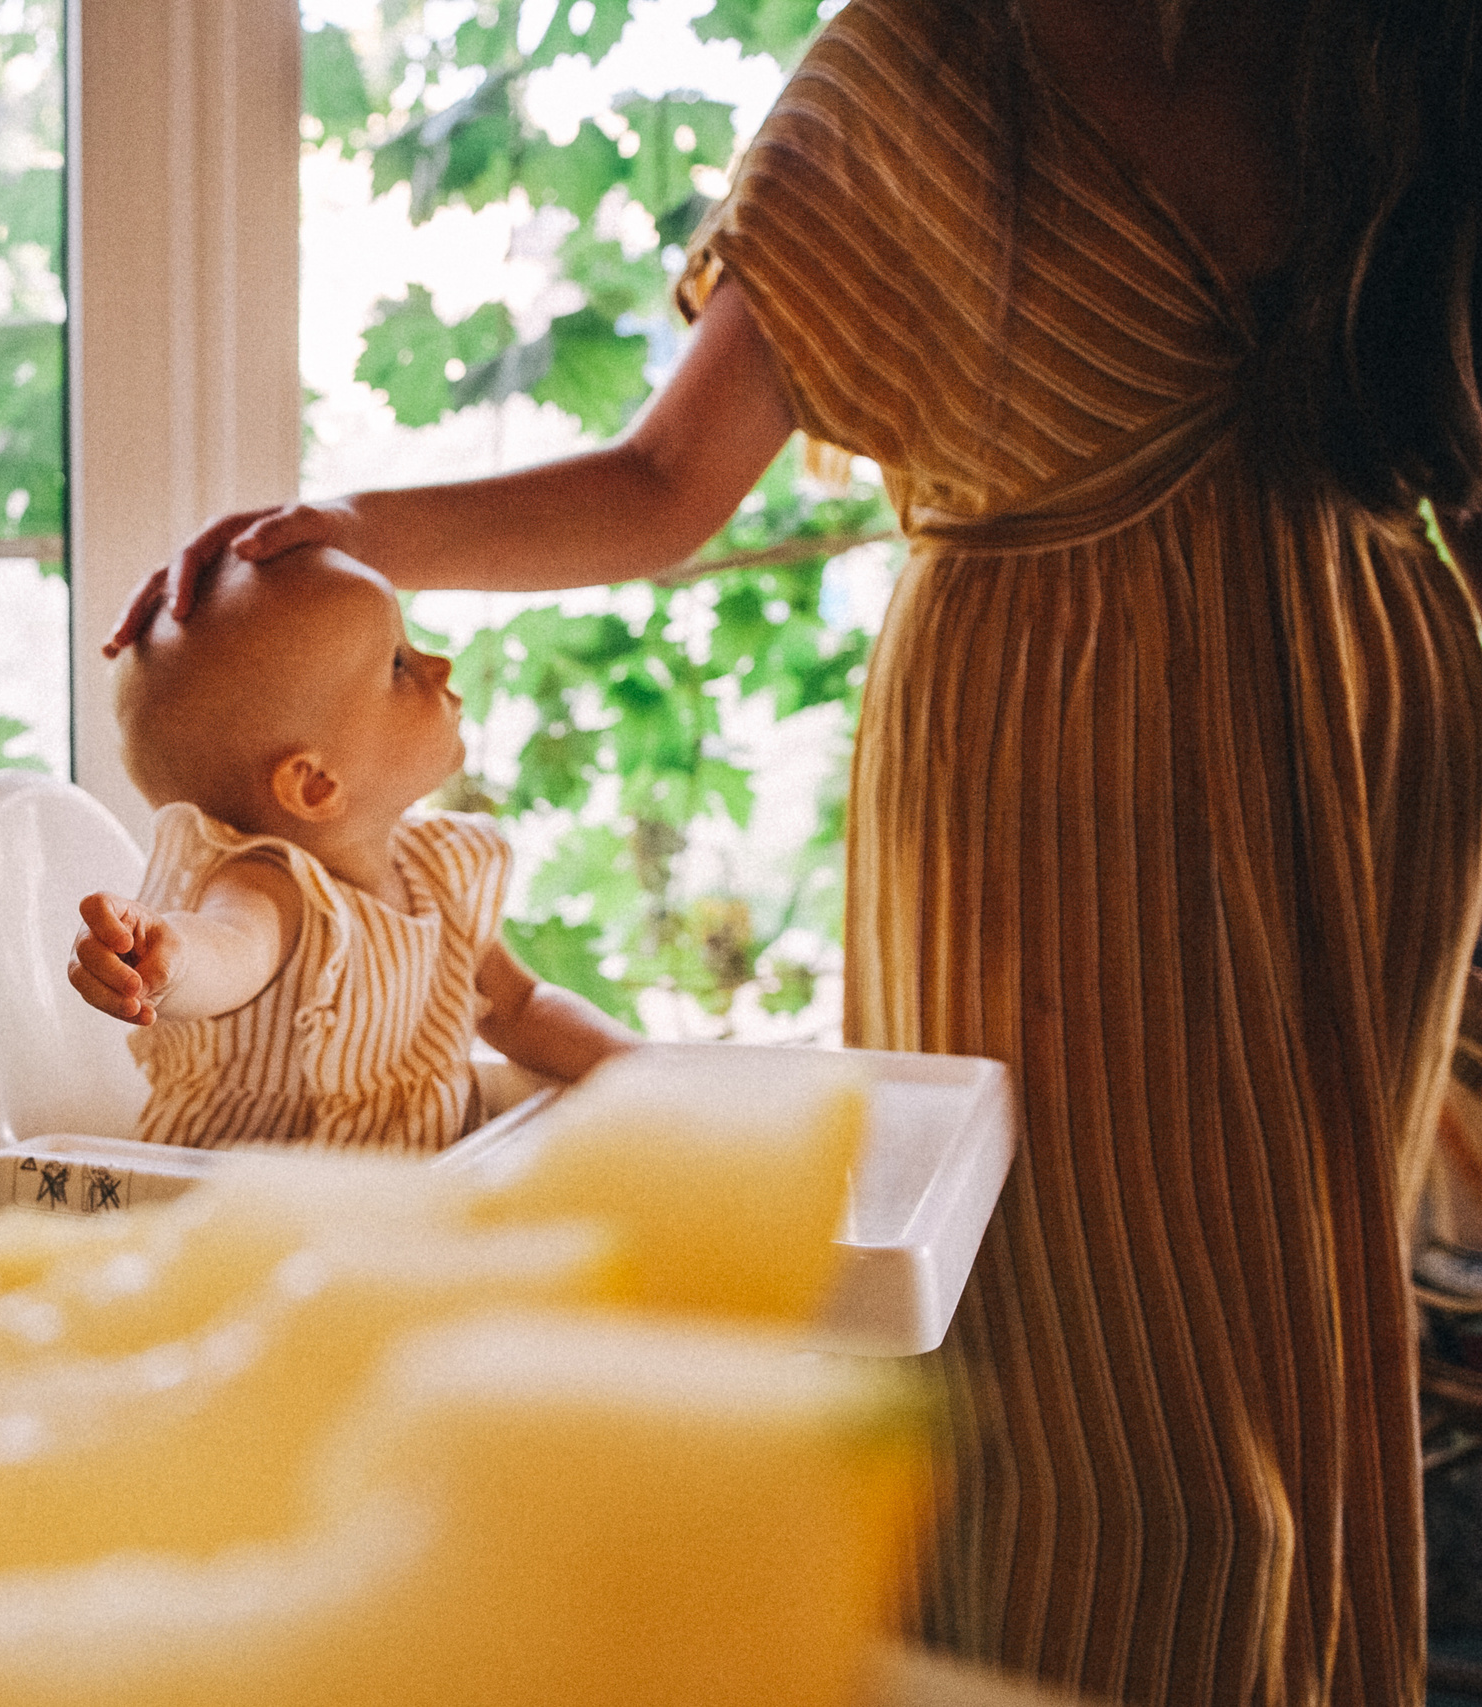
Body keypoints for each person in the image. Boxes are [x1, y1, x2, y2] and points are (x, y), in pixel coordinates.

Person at [117, 1, 1482, 1701]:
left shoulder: (1383, 47)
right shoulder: (925, 63)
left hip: (1362, 738)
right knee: (1092, 1390)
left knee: (1306, 1332)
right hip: (1055, 762)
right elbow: (661, 482)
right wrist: (347, 536)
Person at [71, 542, 635, 1155]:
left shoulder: (438, 873)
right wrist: (169, 959)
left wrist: (640, 1068)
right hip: (267, 1215)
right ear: (315, 784)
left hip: (416, 1203)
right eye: (398, 664)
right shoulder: (271, 885)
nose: (440, 666)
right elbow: (232, 949)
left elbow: (520, 1008)